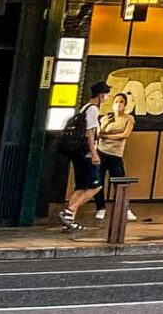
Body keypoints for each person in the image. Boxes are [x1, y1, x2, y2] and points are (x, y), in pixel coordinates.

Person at [59, 81, 110, 229]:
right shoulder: (93, 109)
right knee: (96, 185)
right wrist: (94, 153)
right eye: (106, 95)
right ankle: (70, 211)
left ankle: (69, 220)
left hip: (78, 153)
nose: (106, 98)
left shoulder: (85, 107)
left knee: (80, 186)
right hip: (87, 153)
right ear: (100, 95)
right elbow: (90, 133)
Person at [93, 91, 136, 223]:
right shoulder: (105, 117)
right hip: (101, 152)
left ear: (126, 105)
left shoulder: (128, 119)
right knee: (98, 181)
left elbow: (124, 135)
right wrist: (105, 126)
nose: (118, 104)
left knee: (119, 182)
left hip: (116, 154)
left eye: (121, 102)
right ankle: (100, 207)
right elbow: (98, 133)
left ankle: (125, 208)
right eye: (116, 102)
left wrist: (107, 136)